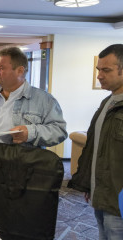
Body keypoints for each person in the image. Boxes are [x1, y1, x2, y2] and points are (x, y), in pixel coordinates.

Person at [68, 44, 123, 239]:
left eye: (106, 70)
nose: (99, 75)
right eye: (98, 69)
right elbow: (95, 148)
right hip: (102, 196)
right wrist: (89, 185)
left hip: (119, 204)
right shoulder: (107, 103)